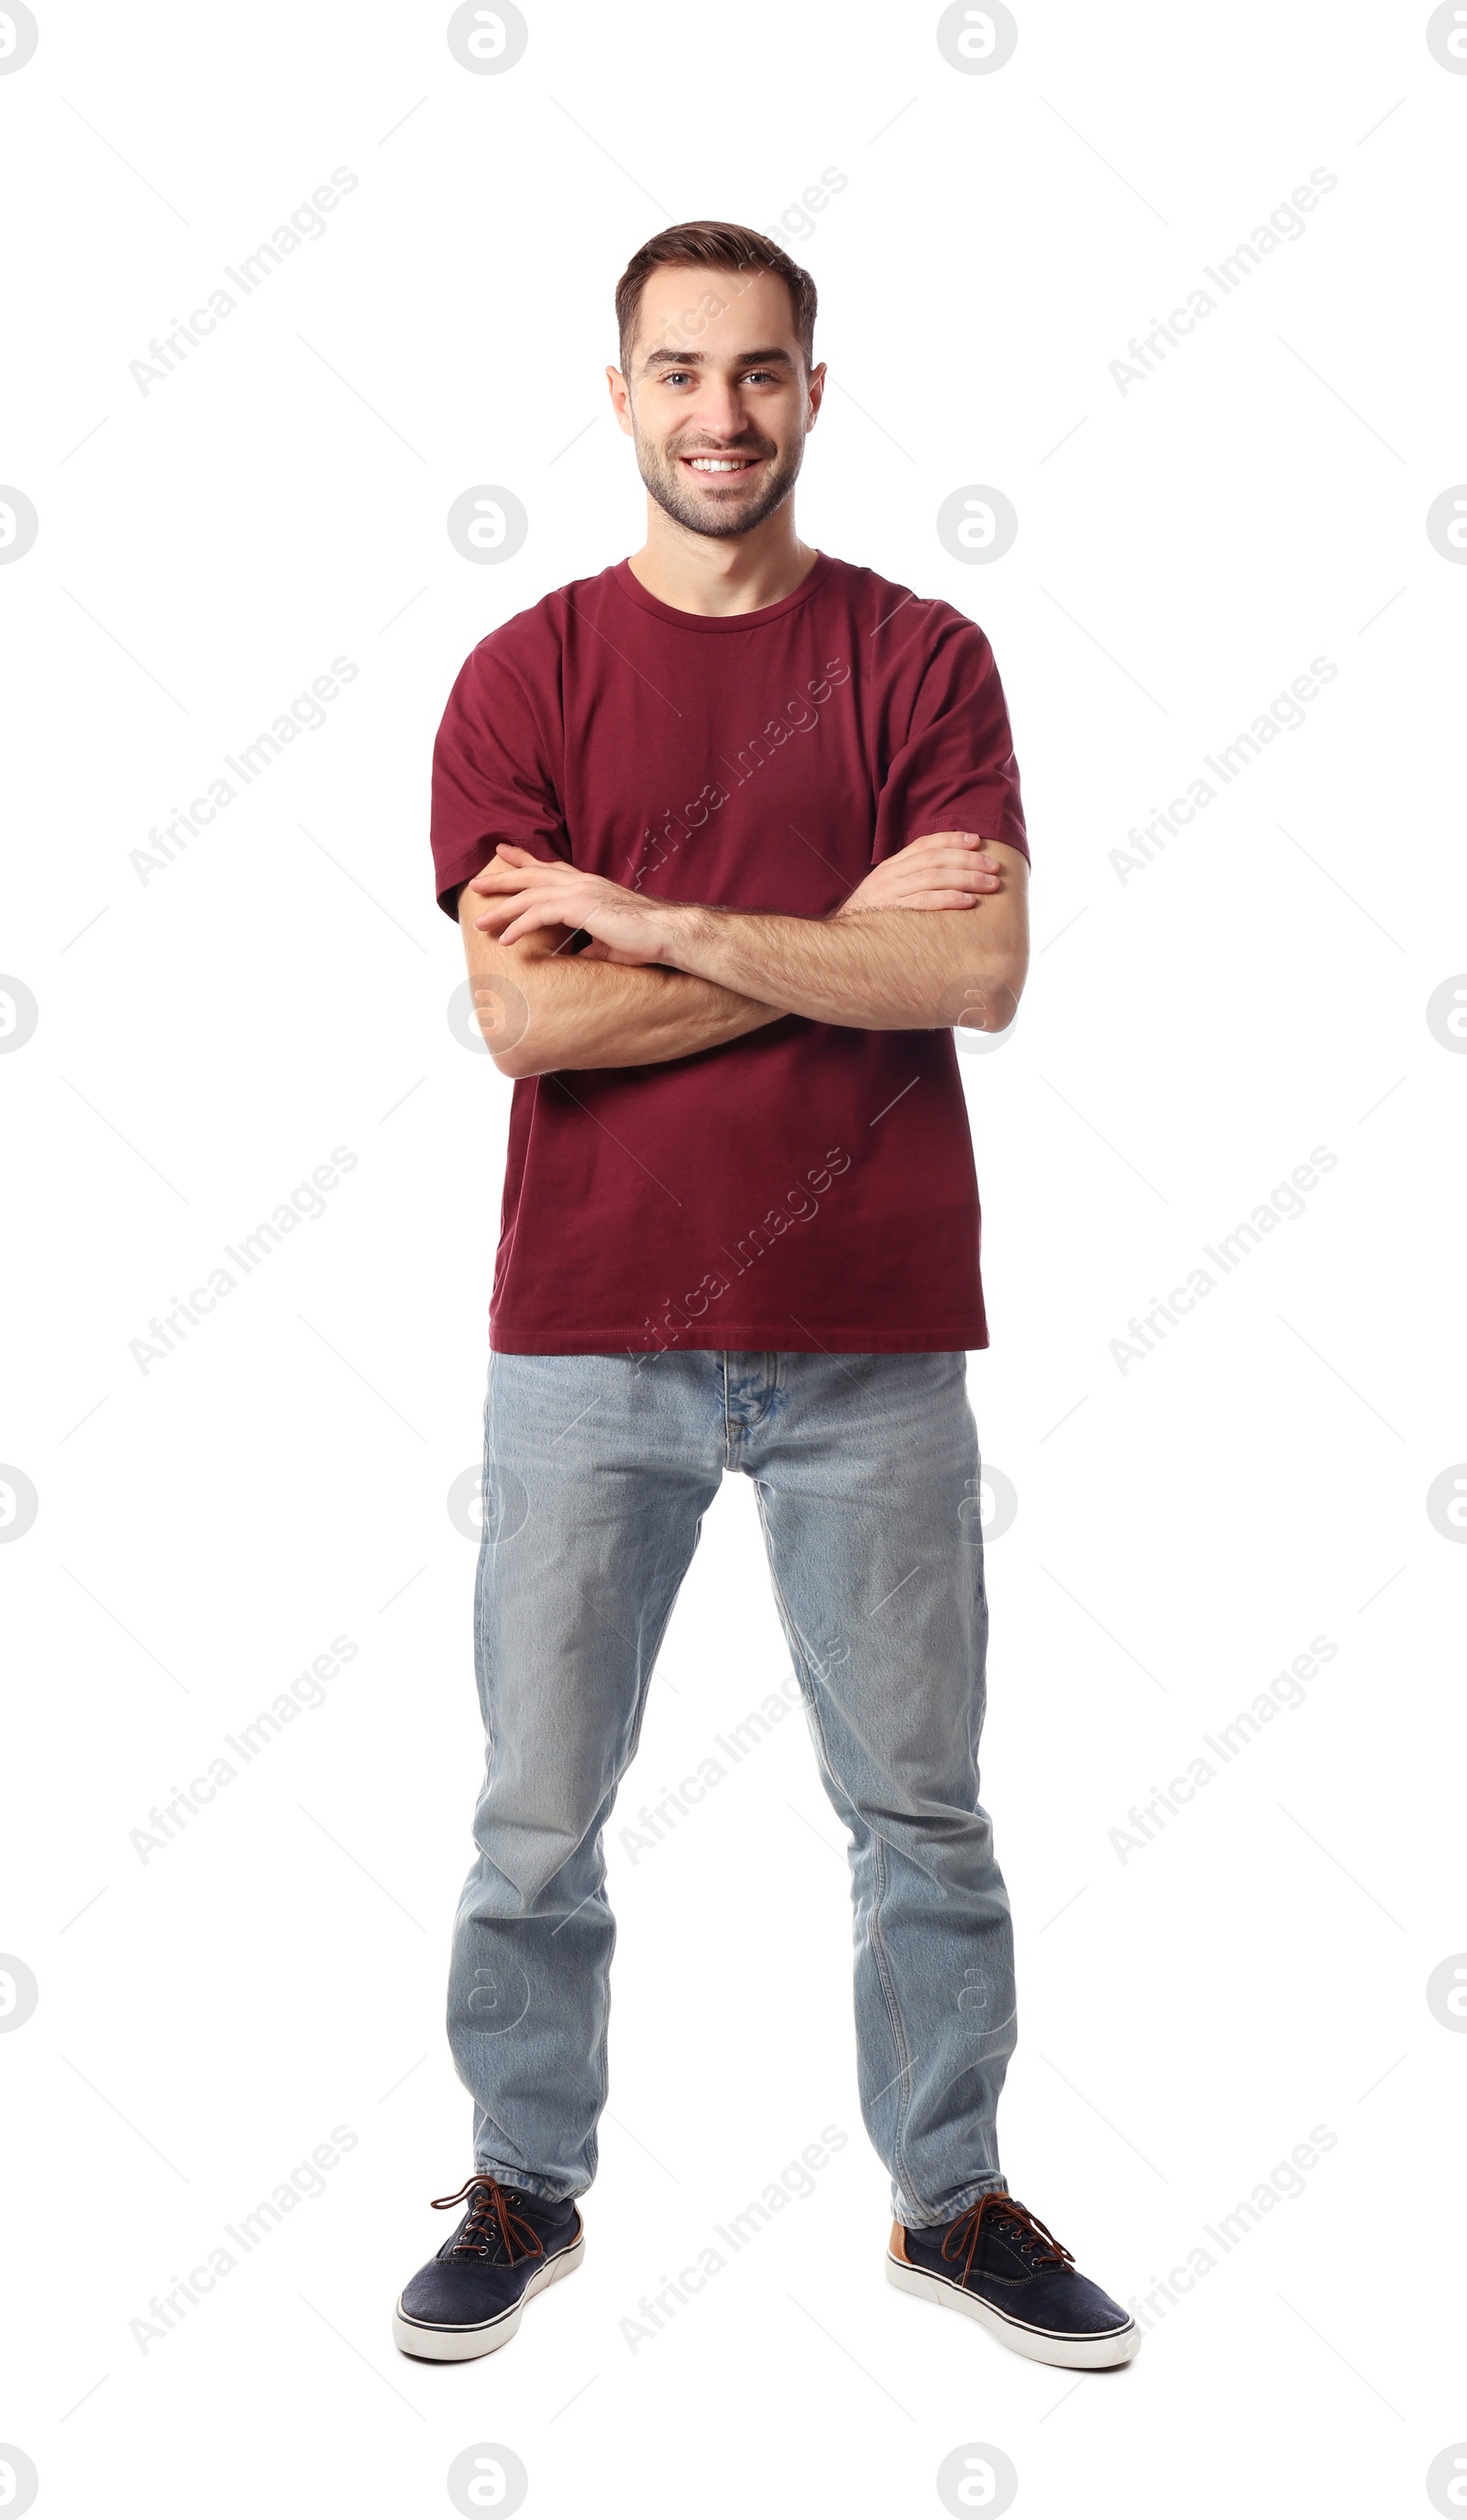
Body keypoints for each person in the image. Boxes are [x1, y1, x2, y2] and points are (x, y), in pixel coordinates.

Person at [392, 221, 1137, 2373]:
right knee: (539, 1806)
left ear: (816, 392)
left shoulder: (922, 661)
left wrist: (647, 920)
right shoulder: (521, 677)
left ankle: (950, 2197)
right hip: (588, 1333)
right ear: (616, 395)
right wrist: (816, 933)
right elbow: (530, 1032)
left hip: (871, 1336)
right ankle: (524, 2180)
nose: (721, 414)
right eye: (679, 372)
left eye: (761, 373)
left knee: (919, 1809)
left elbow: (972, 973)